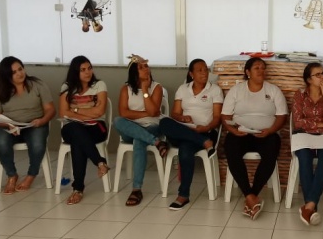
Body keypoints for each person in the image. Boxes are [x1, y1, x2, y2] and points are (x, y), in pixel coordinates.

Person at [221, 57, 287, 220]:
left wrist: (270, 130)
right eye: (257, 68)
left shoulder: (273, 90)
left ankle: (251, 195)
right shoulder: (237, 90)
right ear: (247, 72)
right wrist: (232, 130)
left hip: (266, 134)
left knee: (272, 150)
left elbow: (282, 116)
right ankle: (251, 197)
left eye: (263, 68)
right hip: (241, 133)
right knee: (230, 147)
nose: (261, 71)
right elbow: (225, 116)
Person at [0, 57, 56, 194]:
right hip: (10, 126)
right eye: (14, 72)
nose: (19, 74)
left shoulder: (37, 85)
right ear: (6, 76)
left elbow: (50, 109)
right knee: (0, 142)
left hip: (35, 124)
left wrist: (42, 121)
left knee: (37, 145)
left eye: (20, 69)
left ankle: (31, 175)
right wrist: (8, 125)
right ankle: (12, 175)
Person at [164, 58, 222, 210]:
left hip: (206, 131)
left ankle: (183, 195)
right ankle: (204, 143)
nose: (204, 73)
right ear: (191, 74)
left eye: (206, 70)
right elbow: (175, 114)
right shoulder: (183, 89)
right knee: (164, 122)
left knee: (185, 149)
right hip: (186, 130)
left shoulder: (215, 90)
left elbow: (217, 118)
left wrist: (206, 127)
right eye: (199, 70)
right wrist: (182, 118)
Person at [112, 54, 165, 206]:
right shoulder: (126, 89)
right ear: (134, 72)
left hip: (152, 127)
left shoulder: (157, 87)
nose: (145, 69)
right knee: (117, 121)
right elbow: (123, 113)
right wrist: (146, 113)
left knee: (139, 140)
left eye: (146, 66)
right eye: (141, 67)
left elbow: (153, 113)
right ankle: (156, 143)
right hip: (130, 128)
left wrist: (145, 89)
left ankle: (136, 189)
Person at [291, 62, 323, 226]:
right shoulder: (299, 95)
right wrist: (319, 124)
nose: (322, 77)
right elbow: (298, 122)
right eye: (317, 75)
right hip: (304, 137)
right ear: (308, 79)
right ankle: (311, 207)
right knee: (304, 157)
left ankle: (309, 207)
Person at [59, 55, 110, 205]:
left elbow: (99, 112)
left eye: (89, 68)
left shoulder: (99, 85)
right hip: (72, 127)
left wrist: (75, 110)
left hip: (96, 127)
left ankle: (78, 189)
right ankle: (100, 162)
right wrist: (85, 114)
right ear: (75, 72)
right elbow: (63, 112)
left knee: (78, 140)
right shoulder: (66, 87)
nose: (88, 72)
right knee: (76, 130)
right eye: (83, 70)